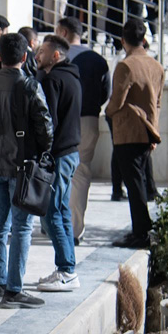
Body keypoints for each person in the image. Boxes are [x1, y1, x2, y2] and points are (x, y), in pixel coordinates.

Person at [0, 33, 53, 308]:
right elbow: (45, 128)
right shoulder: (29, 86)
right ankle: (14, 289)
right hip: (21, 166)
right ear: (24, 56)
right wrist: (43, 151)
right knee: (21, 227)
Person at [106, 19, 165, 249]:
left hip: (128, 130)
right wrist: (154, 130)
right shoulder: (157, 66)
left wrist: (108, 112)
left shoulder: (126, 66)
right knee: (138, 181)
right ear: (144, 39)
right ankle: (142, 229)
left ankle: (141, 232)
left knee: (134, 183)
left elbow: (117, 100)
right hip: (148, 129)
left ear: (123, 41)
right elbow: (157, 103)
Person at [34, 34, 82, 292]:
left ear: (55, 55)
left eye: (42, 52)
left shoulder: (53, 80)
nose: (37, 56)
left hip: (60, 155)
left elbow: (47, 122)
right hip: (70, 153)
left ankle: (67, 270)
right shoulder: (73, 77)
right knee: (61, 210)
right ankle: (67, 268)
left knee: (53, 212)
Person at [63, 19, 111, 245]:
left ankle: (53, 223)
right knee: (81, 173)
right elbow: (105, 92)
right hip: (89, 119)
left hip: (62, 122)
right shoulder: (97, 60)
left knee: (57, 172)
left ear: (63, 32)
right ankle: (75, 229)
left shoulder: (57, 56)